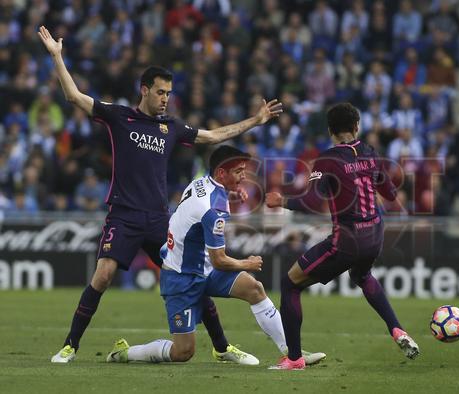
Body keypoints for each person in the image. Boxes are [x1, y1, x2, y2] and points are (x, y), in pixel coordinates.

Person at [38, 26, 283, 364]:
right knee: (104, 275)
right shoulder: (119, 117)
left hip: (158, 219)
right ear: (145, 91)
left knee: (192, 275)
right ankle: (70, 345)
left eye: (169, 92)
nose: (166, 98)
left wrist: (254, 121)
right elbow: (74, 97)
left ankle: (222, 347)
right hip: (123, 215)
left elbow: (213, 136)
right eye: (161, 92)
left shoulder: (173, 128)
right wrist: (57, 57)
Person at [106, 146, 325, 365]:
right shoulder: (214, 210)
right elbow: (220, 259)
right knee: (183, 352)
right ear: (221, 173)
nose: (244, 176)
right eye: (238, 171)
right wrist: (245, 263)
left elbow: (205, 203)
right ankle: (125, 353)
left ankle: (292, 352)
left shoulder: (201, 180)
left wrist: (232, 191)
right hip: (180, 277)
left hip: (204, 269)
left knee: (254, 289)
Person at [265, 102, 420, 370]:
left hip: (347, 240)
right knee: (362, 276)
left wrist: (282, 201)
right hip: (375, 235)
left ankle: (294, 359)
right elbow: (391, 194)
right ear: (356, 126)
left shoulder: (326, 160)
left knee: (290, 283)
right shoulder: (370, 152)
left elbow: (313, 202)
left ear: (330, 130)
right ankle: (397, 329)